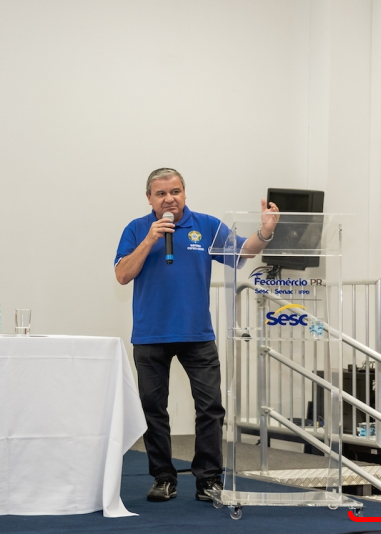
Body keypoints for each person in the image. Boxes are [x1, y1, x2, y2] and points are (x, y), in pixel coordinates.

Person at [114, 168, 278, 503]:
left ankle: (208, 480)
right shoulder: (136, 229)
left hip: (197, 334)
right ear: (149, 198)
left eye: (175, 191)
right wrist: (150, 239)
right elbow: (122, 274)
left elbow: (242, 253)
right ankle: (163, 477)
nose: (169, 199)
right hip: (150, 335)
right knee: (153, 409)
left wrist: (265, 232)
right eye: (161, 193)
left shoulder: (206, 225)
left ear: (185, 193)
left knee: (210, 408)